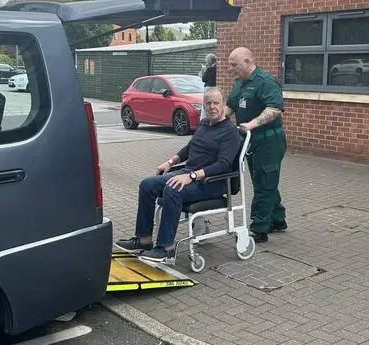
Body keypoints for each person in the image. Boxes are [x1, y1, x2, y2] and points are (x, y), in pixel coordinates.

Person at [116, 87, 242, 262]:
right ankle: (144, 239)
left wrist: (191, 176)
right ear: (204, 106)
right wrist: (170, 162)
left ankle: (166, 248)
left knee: (172, 189)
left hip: (211, 183)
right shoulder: (204, 124)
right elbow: (190, 148)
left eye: (216, 103)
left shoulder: (230, 131)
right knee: (147, 185)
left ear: (223, 105)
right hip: (189, 173)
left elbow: (223, 164)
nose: (212, 107)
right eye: (208, 103)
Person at [225, 47, 287, 243]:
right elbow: (231, 106)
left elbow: (275, 109)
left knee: (264, 184)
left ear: (248, 61)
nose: (231, 69)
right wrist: (215, 120)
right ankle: (278, 219)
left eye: (234, 65)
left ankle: (259, 228)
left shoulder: (265, 81)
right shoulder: (239, 84)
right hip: (251, 142)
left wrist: (250, 124)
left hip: (269, 141)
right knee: (263, 181)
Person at [199, 53, 217, 120]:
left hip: (209, 88)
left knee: (206, 104)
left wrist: (203, 70)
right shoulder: (217, 68)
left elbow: (204, 79)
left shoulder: (210, 69)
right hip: (215, 88)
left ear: (209, 61)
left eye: (207, 61)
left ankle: (203, 119)